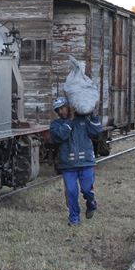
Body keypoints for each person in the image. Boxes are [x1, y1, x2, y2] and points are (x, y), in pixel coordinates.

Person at [49, 95, 104, 226]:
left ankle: (91, 203)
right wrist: (70, 121)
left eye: (63, 108)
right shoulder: (56, 125)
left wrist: (94, 114)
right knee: (72, 192)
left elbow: (97, 132)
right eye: (58, 110)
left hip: (86, 162)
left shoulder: (84, 120)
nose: (61, 112)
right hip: (68, 165)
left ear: (69, 106)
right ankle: (74, 218)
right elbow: (60, 136)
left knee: (86, 190)